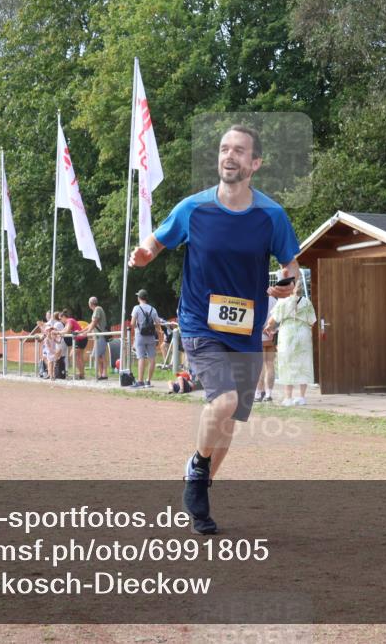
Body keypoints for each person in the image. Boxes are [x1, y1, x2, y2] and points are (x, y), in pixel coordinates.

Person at [129, 124, 300, 534]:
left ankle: (201, 489)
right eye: (225, 148)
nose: (230, 155)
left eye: (239, 151)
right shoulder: (194, 208)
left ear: (254, 163)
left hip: (246, 329)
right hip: (199, 323)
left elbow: (292, 270)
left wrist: (288, 284)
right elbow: (155, 242)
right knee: (222, 403)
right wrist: (143, 255)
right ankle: (197, 470)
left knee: (228, 422)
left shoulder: (271, 215)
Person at [266, 280, 316, 405]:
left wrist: (268, 328)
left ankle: (288, 398)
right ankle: (302, 397)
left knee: (286, 363)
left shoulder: (282, 302)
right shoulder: (306, 302)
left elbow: (273, 320)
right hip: (303, 334)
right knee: (303, 363)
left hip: (287, 335)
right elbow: (312, 321)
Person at [129, 289, 162, 389]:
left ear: (139, 298)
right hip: (151, 336)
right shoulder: (153, 309)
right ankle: (148, 381)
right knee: (152, 358)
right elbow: (157, 324)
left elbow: (132, 323)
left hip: (140, 336)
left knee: (141, 358)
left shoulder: (136, 308)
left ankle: (140, 381)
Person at [254, 297, 278, 402]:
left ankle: (258, 394)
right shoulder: (274, 300)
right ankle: (268, 394)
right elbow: (277, 318)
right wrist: (273, 330)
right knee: (270, 364)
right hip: (271, 335)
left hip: (259, 335)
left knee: (260, 364)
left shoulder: (256, 297)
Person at [82, 297, 110, 380]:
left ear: (90, 303)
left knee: (96, 355)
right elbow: (91, 323)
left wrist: (87, 332)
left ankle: (102, 373)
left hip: (100, 336)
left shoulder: (97, 309)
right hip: (99, 336)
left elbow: (94, 322)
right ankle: (103, 373)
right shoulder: (97, 310)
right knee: (101, 356)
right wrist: (82, 331)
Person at [61, 309, 87, 379]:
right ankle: (82, 374)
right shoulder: (68, 322)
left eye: (61, 319)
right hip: (81, 339)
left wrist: (58, 333)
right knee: (79, 357)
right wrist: (58, 332)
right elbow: (64, 331)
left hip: (80, 339)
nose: (61, 321)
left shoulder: (70, 320)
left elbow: (66, 331)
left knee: (73, 355)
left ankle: (80, 373)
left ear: (63, 317)